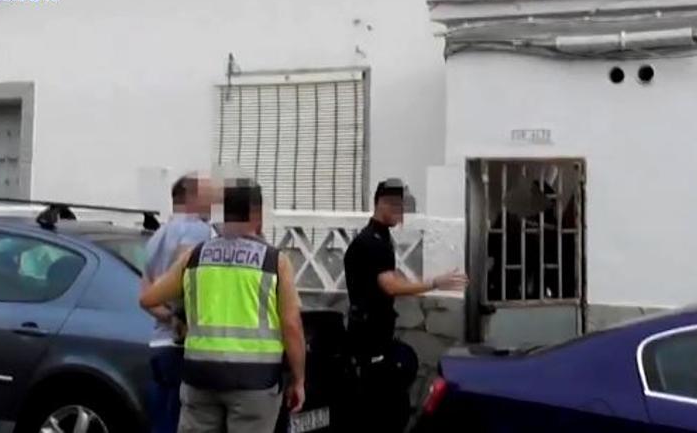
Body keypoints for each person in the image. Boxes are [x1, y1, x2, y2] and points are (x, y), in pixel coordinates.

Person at [140, 178, 306, 433]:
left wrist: (179, 316)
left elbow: (148, 298)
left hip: (200, 377)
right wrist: (298, 379)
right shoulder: (274, 262)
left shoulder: (195, 256)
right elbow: (291, 325)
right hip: (255, 382)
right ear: (257, 215)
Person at [344, 178, 467, 433]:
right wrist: (434, 283)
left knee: (393, 397)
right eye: (397, 206)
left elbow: (391, 276)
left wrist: (414, 283)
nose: (401, 214)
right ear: (381, 203)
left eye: (402, 207)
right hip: (369, 341)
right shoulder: (371, 242)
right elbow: (389, 285)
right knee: (381, 409)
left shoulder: (380, 237)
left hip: (378, 337)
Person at [140, 173, 216, 433]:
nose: (214, 201)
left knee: (163, 422)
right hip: (184, 347)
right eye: (208, 194)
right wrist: (182, 318)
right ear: (191, 197)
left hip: (159, 346)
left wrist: (170, 316)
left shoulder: (156, 237)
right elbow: (188, 278)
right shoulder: (197, 230)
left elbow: (145, 298)